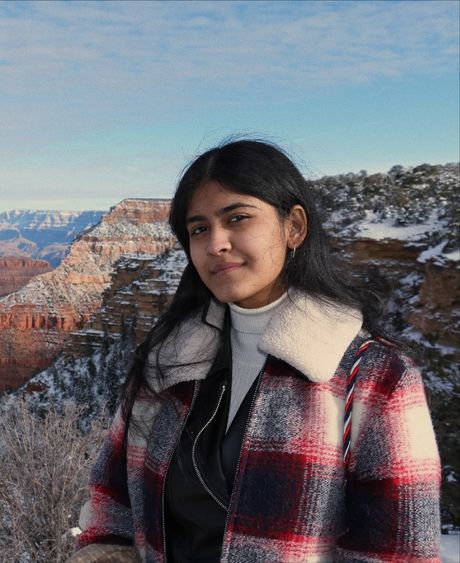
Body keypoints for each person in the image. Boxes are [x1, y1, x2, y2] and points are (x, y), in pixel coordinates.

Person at [72, 139, 441, 562]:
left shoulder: (377, 378)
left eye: (238, 218)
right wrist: (105, 551)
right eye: (199, 229)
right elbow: (111, 492)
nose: (216, 244)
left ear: (294, 227)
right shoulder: (164, 361)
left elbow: (399, 551)